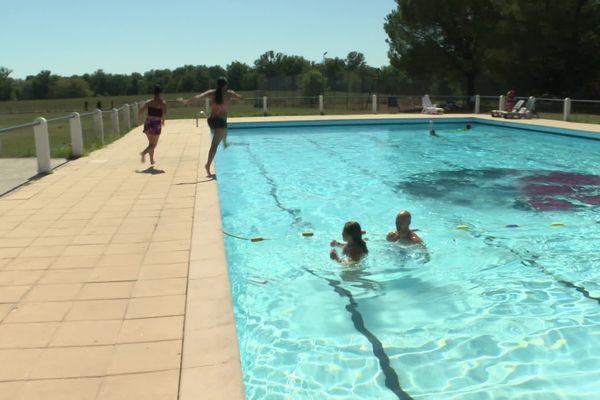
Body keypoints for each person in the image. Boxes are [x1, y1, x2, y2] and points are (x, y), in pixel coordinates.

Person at [184, 77, 242, 177]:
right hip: (220, 121)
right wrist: (239, 97)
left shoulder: (212, 92)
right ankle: (207, 165)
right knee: (214, 145)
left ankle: (225, 142)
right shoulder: (229, 93)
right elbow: (240, 98)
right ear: (225, 85)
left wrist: (188, 101)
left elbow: (198, 97)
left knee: (224, 130)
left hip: (212, 120)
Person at [138, 84, 167, 165]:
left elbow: (140, 111)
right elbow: (164, 113)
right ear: (160, 93)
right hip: (156, 124)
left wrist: (138, 120)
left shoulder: (148, 102)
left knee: (151, 143)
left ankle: (151, 160)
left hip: (148, 123)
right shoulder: (162, 103)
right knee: (153, 144)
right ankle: (144, 153)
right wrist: (163, 121)